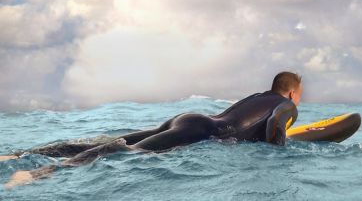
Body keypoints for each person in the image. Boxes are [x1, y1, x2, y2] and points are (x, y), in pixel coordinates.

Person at [4, 71, 303, 188]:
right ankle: (36, 173)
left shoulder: (257, 96)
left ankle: (19, 155)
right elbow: (277, 121)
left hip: (188, 119)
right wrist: (278, 153)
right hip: (201, 133)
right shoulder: (287, 104)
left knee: (116, 141)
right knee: (124, 151)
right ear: (291, 93)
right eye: (299, 94)